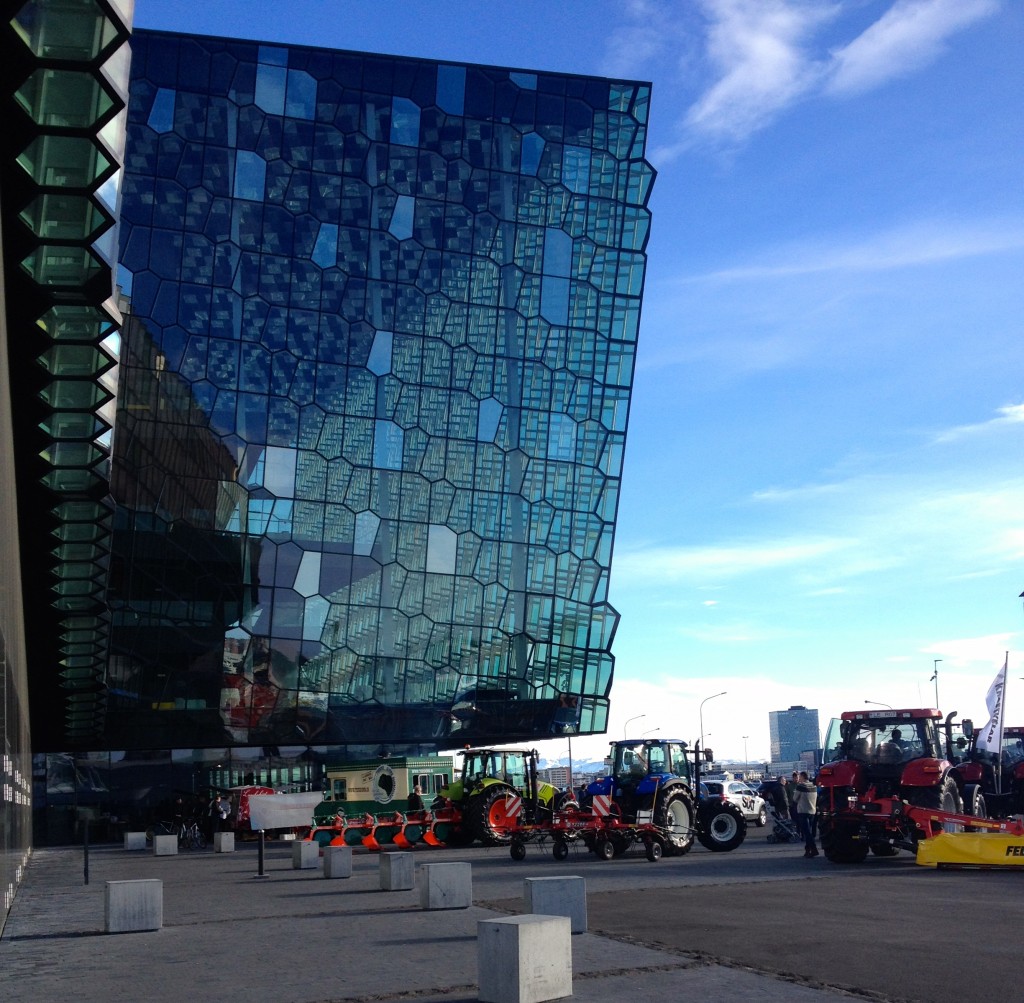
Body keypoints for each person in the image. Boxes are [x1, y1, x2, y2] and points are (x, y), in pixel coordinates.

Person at [795, 771, 818, 857]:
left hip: (803, 811)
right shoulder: (814, 786)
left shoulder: (801, 786)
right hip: (812, 811)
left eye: (800, 777)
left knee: (806, 832)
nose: (799, 778)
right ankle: (808, 850)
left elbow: (795, 798)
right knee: (809, 831)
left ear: (803, 777)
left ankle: (814, 849)